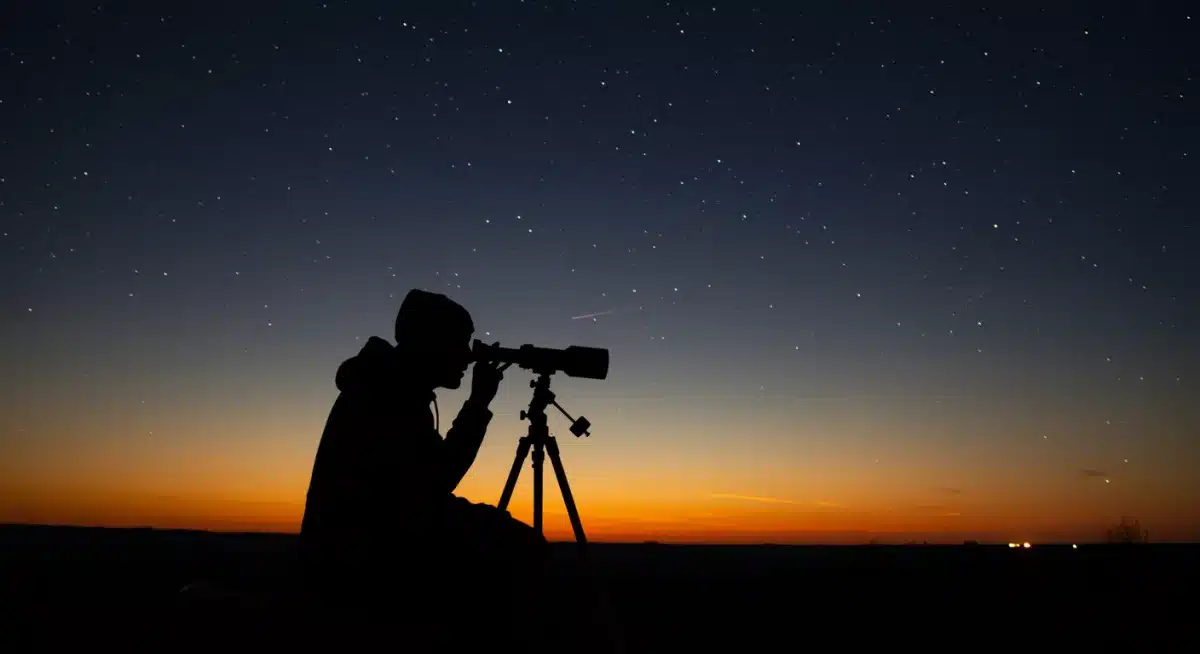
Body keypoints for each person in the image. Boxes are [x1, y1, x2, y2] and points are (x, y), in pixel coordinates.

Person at [298, 288, 547, 627]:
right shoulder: (389, 393)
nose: (468, 357)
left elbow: (421, 484)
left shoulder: (389, 383)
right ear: (432, 345)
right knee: (519, 547)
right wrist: (477, 405)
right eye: (461, 344)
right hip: (361, 553)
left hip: (366, 536)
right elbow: (434, 483)